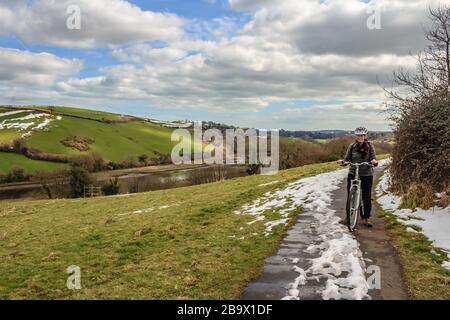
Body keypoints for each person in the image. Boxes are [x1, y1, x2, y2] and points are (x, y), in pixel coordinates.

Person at [337, 127, 378, 227]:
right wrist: (343, 162)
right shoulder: (352, 146)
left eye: (362, 135)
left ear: (365, 136)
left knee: (366, 196)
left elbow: (373, 158)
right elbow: (347, 158)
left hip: (366, 173)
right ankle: (348, 217)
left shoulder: (370, 146)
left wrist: (373, 162)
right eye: (358, 135)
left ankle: (366, 218)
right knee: (350, 196)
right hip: (353, 172)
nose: (360, 137)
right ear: (356, 136)